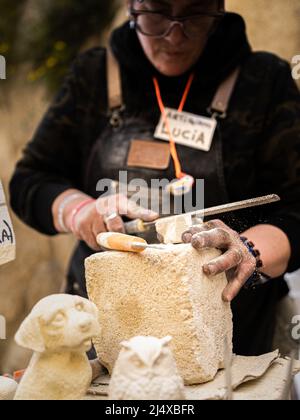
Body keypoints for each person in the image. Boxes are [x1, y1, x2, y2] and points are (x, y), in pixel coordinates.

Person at [9, 0, 300, 356]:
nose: (175, 35)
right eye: (157, 13)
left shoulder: (263, 81)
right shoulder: (95, 74)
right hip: (106, 329)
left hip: (230, 335)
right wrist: (79, 211)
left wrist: (249, 251)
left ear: (219, 9)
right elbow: (31, 179)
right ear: (132, 6)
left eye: (194, 14)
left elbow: (296, 207)